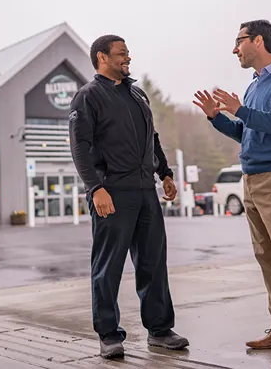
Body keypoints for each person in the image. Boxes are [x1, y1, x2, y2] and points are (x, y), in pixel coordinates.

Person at [193, 20, 271, 365]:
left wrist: (241, 110)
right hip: (250, 179)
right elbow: (248, 133)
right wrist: (217, 117)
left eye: (239, 41)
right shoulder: (251, 86)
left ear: (258, 41)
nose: (235, 49)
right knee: (267, 257)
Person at [69, 34, 190, 359]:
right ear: (101, 57)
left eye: (128, 53)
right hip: (112, 192)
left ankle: (160, 329)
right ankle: (108, 334)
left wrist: (164, 173)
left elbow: (152, 137)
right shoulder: (88, 97)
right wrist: (96, 188)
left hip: (144, 190)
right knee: (108, 266)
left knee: (153, 262)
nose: (128, 58)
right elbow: (79, 147)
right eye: (121, 54)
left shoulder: (137, 94)